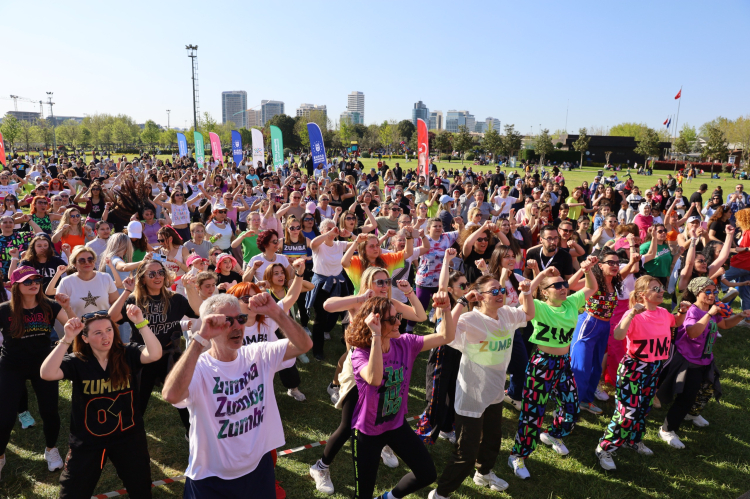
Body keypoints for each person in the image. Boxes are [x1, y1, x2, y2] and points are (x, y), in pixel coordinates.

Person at [161, 293, 312, 498]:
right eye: (226, 321)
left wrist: (275, 312)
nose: (236, 326)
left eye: (240, 318)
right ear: (209, 326)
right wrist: (200, 339)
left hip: (259, 468)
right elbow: (170, 395)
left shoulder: (258, 354)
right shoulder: (199, 368)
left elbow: (304, 345)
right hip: (211, 478)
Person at [39, 305, 162, 497]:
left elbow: (154, 354)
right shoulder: (78, 361)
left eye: (109, 330)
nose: (106, 336)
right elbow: (47, 373)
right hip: (88, 440)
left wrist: (141, 323)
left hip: (128, 436)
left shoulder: (127, 353)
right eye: (98, 333)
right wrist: (67, 338)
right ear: (85, 338)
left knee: (140, 488)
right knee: (72, 493)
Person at [430, 274, 534, 498]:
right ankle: (440, 493)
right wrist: (461, 302)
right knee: (466, 452)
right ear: (479, 297)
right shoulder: (469, 320)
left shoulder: (506, 314)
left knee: (492, 440)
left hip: (495, 392)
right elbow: (443, 333)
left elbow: (528, 314)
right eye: (493, 291)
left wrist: (526, 292)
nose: (500, 294)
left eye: (501, 290)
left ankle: (483, 473)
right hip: (472, 395)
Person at [346, 292, 455, 499]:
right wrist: (376, 336)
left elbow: (446, 337)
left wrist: (447, 309)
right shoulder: (360, 353)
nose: (399, 322)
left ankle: (388, 498)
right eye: (392, 319)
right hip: (367, 433)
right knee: (363, 496)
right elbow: (375, 379)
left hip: (396, 425)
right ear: (375, 323)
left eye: (398, 316)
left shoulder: (406, 343)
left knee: (427, 474)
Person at [509, 258, 598, 480]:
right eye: (556, 285)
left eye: (563, 284)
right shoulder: (539, 307)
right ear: (545, 292)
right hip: (542, 364)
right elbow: (523, 298)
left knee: (571, 407)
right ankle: (518, 455)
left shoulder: (570, 303)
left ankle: (553, 434)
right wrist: (539, 276)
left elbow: (591, 288)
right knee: (533, 412)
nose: (562, 288)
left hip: (563, 363)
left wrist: (587, 270)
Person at [595, 276, 689, 470]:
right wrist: (630, 315)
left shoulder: (663, 312)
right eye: (656, 289)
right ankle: (604, 448)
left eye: (661, 288)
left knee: (643, 408)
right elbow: (618, 335)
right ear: (641, 295)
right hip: (633, 369)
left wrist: (681, 311)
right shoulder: (634, 315)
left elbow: (675, 323)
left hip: (653, 368)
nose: (661, 291)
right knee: (627, 413)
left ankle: (633, 440)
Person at [108, 258, 202, 435]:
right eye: (151, 274)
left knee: (182, 396)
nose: (157, 277)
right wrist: (126, 291)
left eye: (160, 272)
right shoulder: (134, 300)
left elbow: (198, 312)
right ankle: (131, 436)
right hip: (143, 357)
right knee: (138, 400)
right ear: (143, 279)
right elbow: (112, 318)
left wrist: (190, 287)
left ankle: (192, 433)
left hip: (170, 354)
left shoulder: (175, 299)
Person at [657, 277, 749, 449]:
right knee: (686, 397)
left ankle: (691, 414)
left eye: (714, 291)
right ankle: (667, 430)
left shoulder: (711, 309)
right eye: (707, 291)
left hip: (705, 359)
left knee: (706, 391)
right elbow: (692, 333)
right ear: (696, 292)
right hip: (688, 361)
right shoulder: (692, 311)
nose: (712, 295)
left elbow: (725, 325)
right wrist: (709, 314)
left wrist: (740, 315)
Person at [0, 266, 70, 478]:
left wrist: (67, 307)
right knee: (5, 415)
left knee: (49, 411)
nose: (34, 284)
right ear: (15, 286)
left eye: (37, 280)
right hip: (12, 366)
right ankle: (0, 456)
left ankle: (51, 449)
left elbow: (74, 328)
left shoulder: (50, 306)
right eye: (27, 281)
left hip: (44, 365)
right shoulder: (4, 310)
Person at [569, 248, 623, 415]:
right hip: (588, 324)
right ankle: (570, 404)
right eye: (610, 262)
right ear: (600, 265)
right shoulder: (593, 281)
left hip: (604, 327)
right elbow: (570, 285)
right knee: (581, 366)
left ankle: (585, 401)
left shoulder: (615, 281)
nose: (615, 265)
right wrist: (584, 269)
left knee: (595, 367)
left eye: (617, 262)